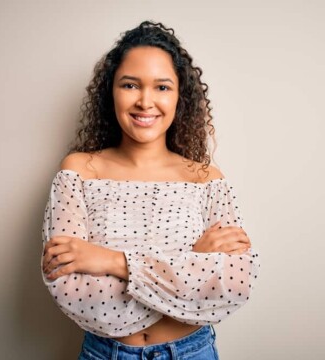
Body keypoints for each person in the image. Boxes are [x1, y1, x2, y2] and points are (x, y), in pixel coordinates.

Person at [41, 21, 260, 360]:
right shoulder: (78, 171)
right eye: (130, 85)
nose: (145, 101)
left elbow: (234, 283)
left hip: (193, 352)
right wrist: (192, 263)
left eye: (162, 87)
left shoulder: (205, 178)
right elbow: (73, 290)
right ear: (110, 91)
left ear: (179, 97)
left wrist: (114, 262)